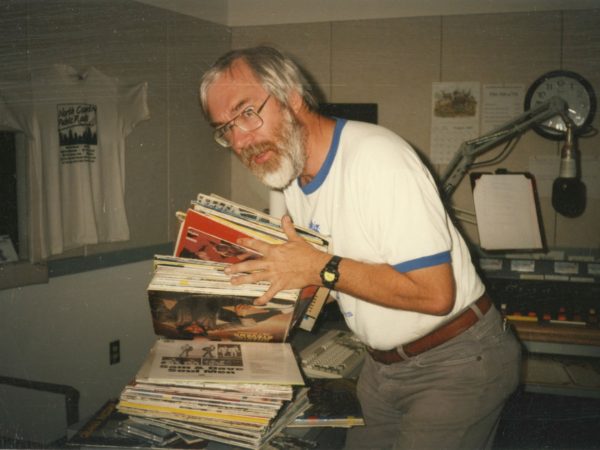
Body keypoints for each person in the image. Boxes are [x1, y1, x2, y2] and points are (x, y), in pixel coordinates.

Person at [198, 46, 521, 450]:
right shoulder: (293, 176)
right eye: (225, 128)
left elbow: (436, 294)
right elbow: (331, 275)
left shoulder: (377, 159)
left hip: (455, 359)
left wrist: (318, 268)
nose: (240, 138)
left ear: (292, 97)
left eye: (247, 113)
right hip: (382, 366)